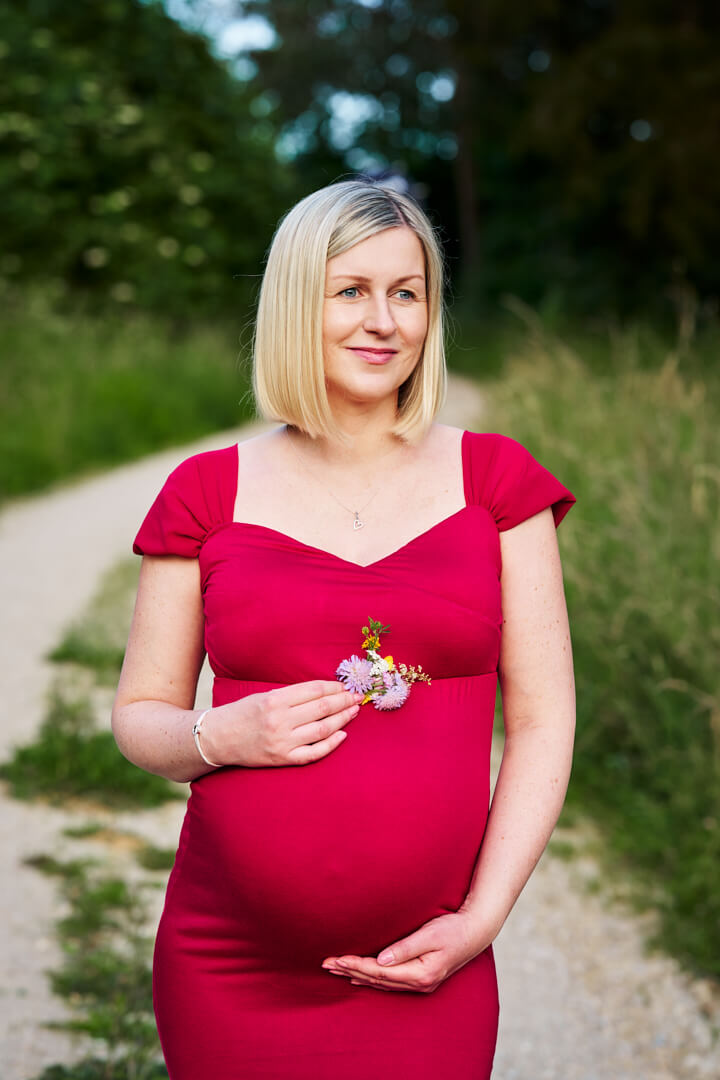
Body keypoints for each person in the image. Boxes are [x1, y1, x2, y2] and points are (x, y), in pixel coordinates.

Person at [112, 178, 576, 1080]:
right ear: (297, 303)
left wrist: (480, 921)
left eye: (408, 293)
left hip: (426, 964)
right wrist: (222, 733)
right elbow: (140, 717)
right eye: (351, 291)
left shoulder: (496, 483)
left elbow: (545, 722)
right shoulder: (207, 492)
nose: (384, 321)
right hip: (229, 966)